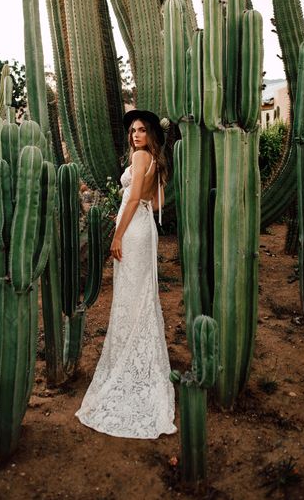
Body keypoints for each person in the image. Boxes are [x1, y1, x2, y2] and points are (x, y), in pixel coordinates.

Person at [75, 109, 176, 439]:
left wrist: (117, 234)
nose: (135, 135)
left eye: (142, 130)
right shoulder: (154, 160)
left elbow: (133, 197)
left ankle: (129, 362)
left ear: (149, 135)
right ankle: (140, 361)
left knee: (131, 296)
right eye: (132, 130)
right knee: (140, 294)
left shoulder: (139, 157)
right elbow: (156, 203)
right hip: (145, 225)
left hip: (132, 230)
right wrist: (137, 199)